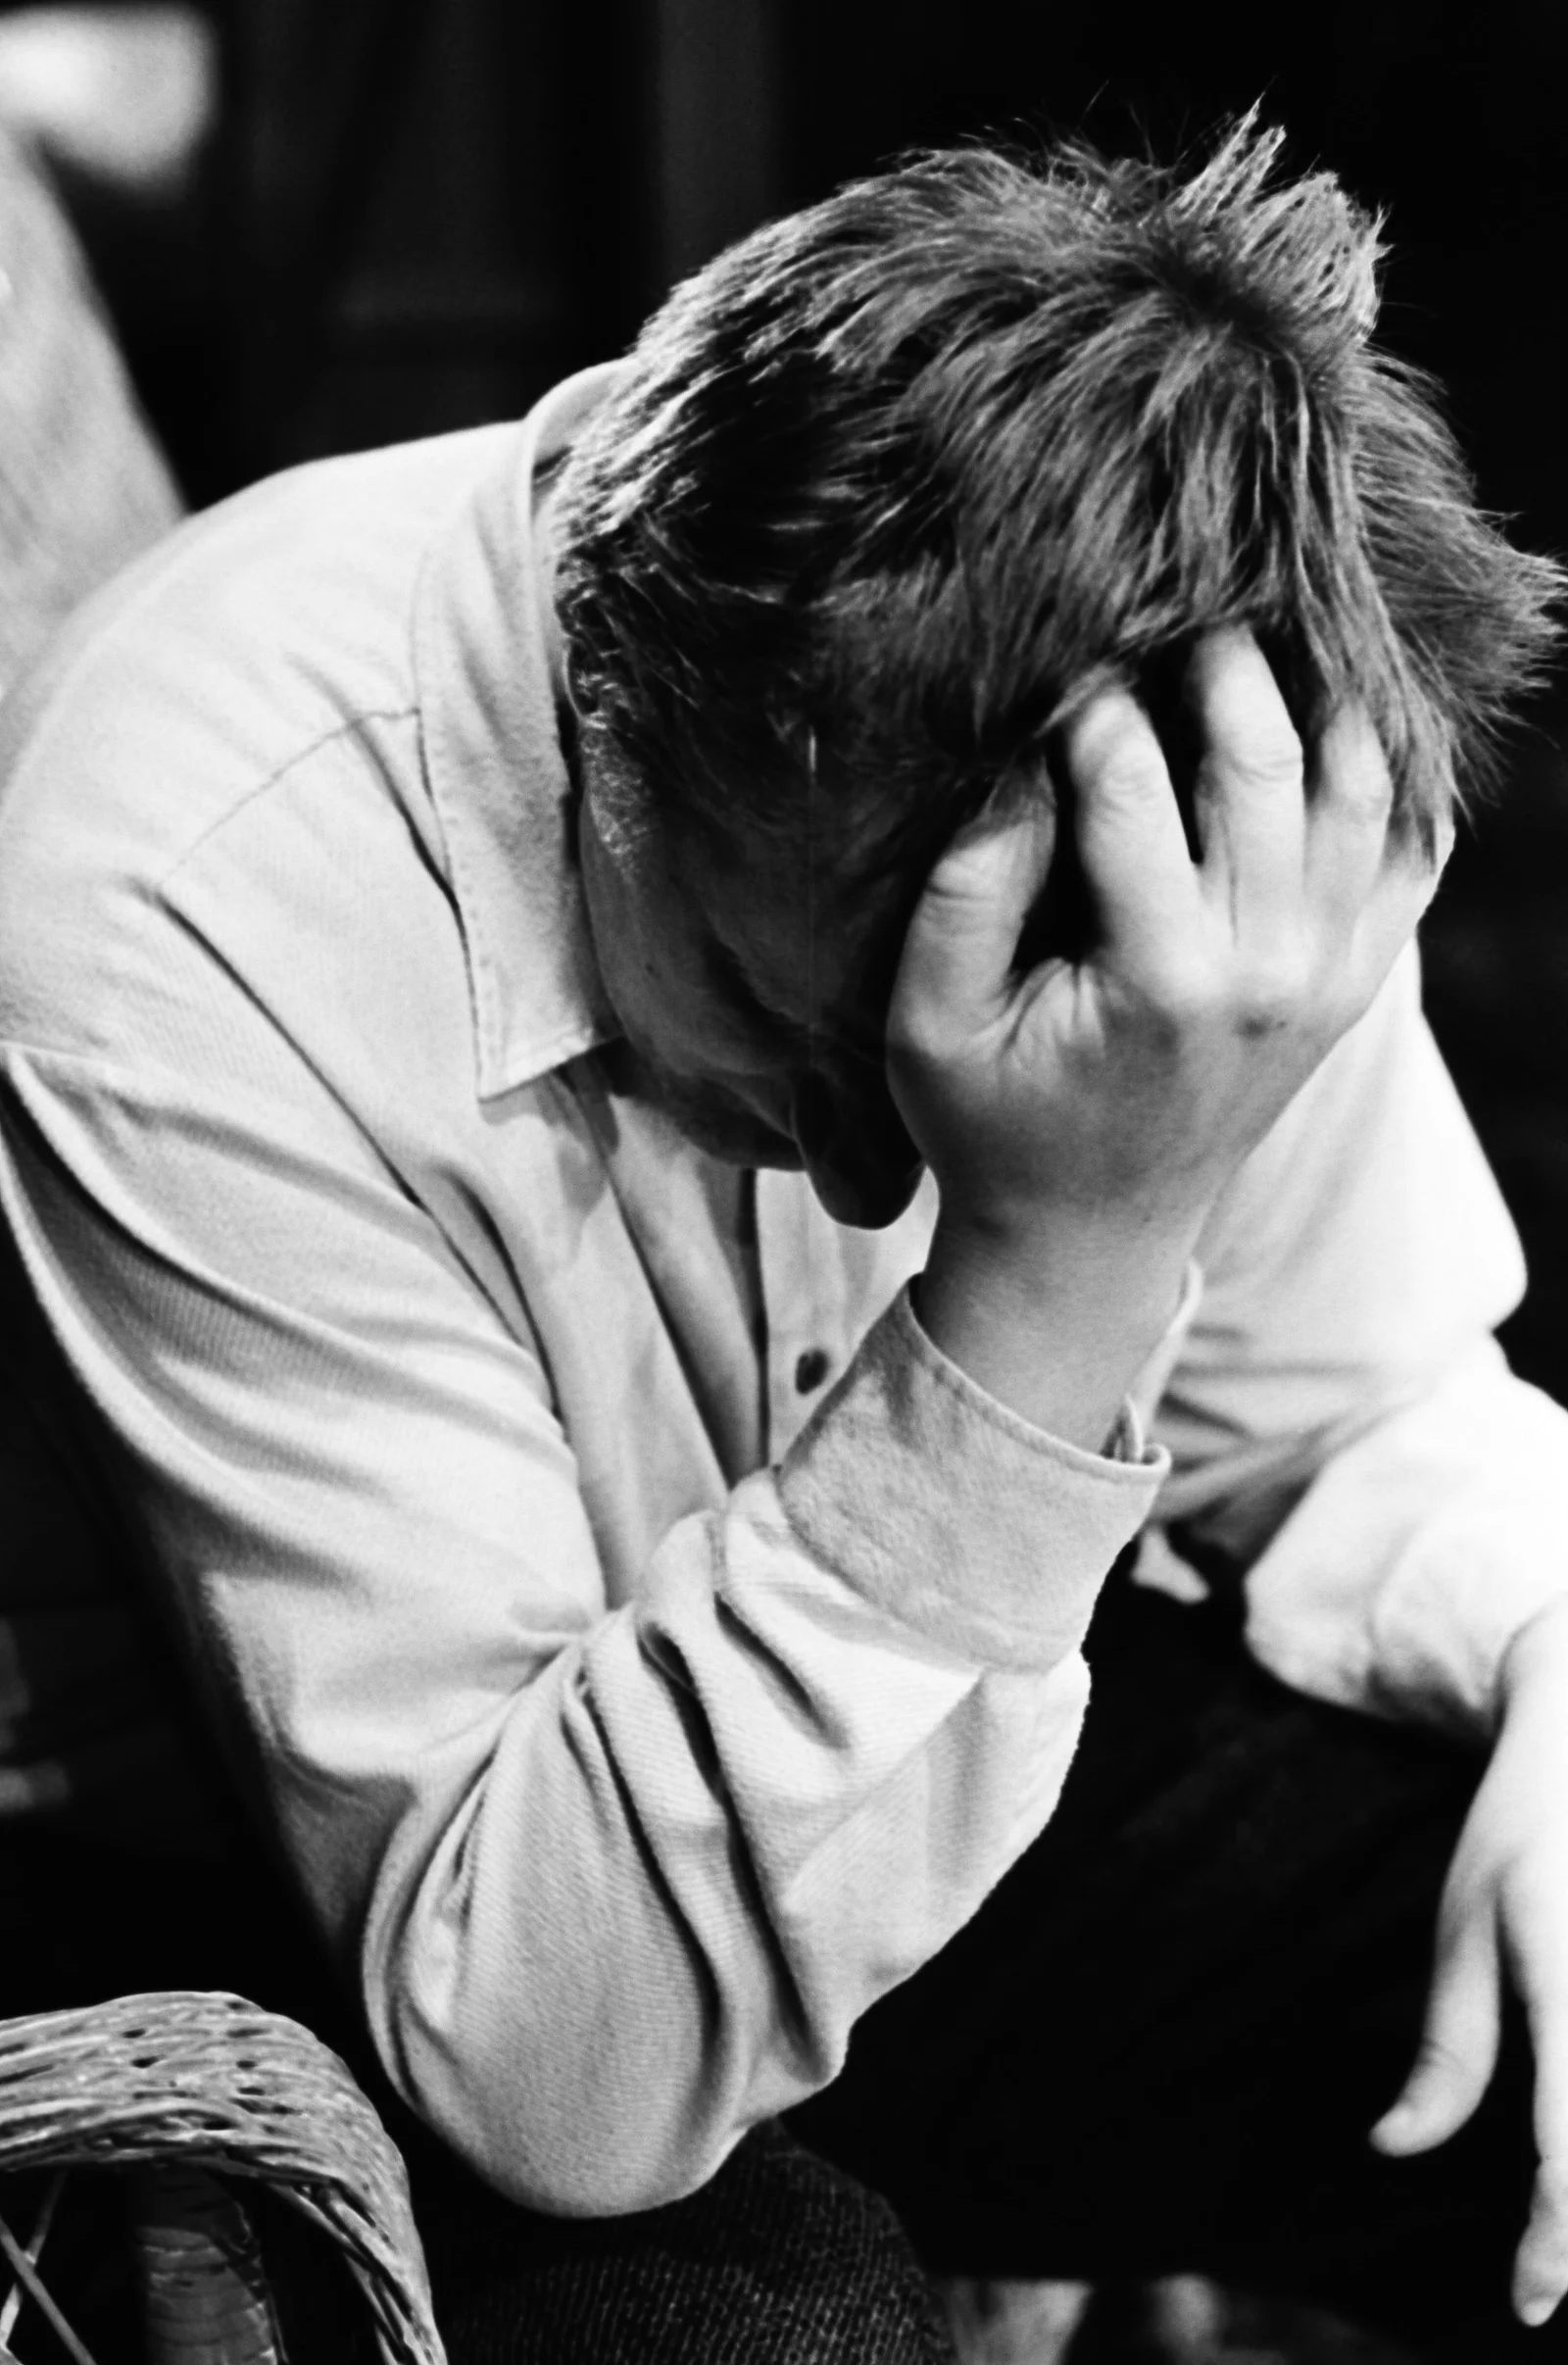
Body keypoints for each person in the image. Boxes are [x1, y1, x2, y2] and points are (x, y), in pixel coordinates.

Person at [0, 116, 1564, 2361]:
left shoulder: (1203, 807)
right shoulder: (178, 884)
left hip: (842, 1773)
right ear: (607, 687)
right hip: (337, 1901)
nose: (869, 1189)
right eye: (780, 1020)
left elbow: (1354, 1419)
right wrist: (1052, 1263)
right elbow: (543, 2065)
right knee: (761, 2330)